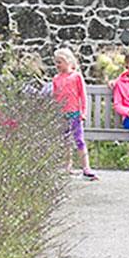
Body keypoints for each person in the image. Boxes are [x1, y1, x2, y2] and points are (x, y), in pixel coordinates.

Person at [51, 48, 97, 180]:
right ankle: (68, 166)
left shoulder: (76, 76)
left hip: (75, 113)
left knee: (79, 140)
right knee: (65, 141)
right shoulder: (56, 79)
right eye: (56, 62)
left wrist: (83, 112)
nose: (57, 65)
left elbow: (82, 95)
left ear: (68, 61)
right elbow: (55, 97)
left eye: (60, 62)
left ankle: (86, 166)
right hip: (62, 114)